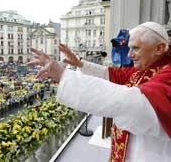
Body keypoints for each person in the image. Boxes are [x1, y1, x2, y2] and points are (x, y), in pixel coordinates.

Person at [27, 21, 171, 162]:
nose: (129, 55)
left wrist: (63, 76)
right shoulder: (146, 67)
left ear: (159, 48)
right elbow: (114, 75)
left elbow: (136, 104)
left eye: (136, 48)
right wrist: (79, 63)